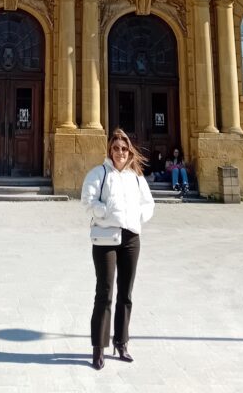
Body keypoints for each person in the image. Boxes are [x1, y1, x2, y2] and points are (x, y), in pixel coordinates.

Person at [81, 128, 155, 370]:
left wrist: (136, 218)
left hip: (131, 237)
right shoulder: (99, 173)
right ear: (109, 150)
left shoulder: (136, 176)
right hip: (106, 238)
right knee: (104, 293)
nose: (120, 152)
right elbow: (88, 201)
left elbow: (148, 203)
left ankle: (121, 343)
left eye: (124, 149)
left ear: (129, 151)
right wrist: (107, 214)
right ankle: (98, 348)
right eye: (116, 148)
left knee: (126, 293)